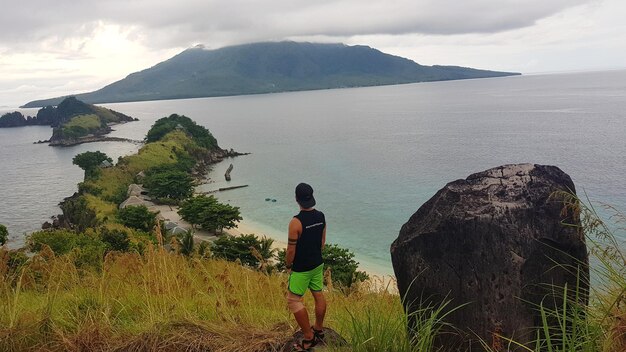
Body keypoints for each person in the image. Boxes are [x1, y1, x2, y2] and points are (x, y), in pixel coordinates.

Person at [286, 183, 327, 351]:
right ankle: (318, 328)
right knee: (318, 294)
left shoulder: (295, 222)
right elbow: (322, 243)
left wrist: (288, 265)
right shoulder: (321, 216)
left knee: (294, 300)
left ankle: (309, 337)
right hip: (317, 263)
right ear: (312, 196)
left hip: (301, 268)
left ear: (297, 199)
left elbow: (290, 250)